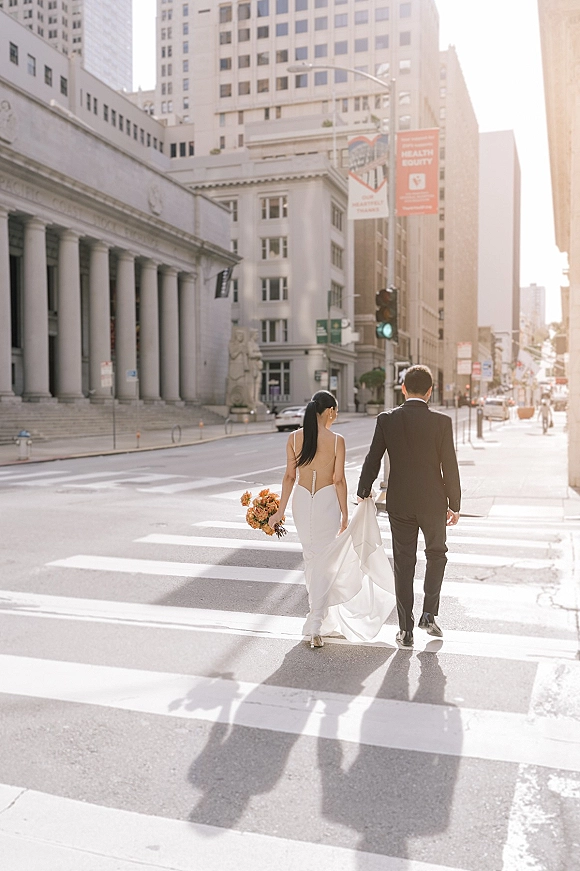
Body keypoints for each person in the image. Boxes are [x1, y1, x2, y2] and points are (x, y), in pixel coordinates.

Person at [268, 390, 395, 649]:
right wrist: (346, 515)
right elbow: (338, 480)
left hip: (302, 502)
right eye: (335, 411)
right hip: (326, 501)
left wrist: (280, 511)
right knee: (324, 561)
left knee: (311, 558)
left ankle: (317, 618)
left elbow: (289, 477)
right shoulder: (337, 440)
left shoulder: (293, 438)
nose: (336, 416)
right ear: (329, 411)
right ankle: (317, 622)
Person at [357, 365, 461, 648]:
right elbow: (450, 465)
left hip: (400, 501)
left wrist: (363, 491)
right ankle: (429, 612)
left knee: (404, 563)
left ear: (402, 388)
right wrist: (455, 504)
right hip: (433, 501)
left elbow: (373, 457)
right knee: (437, 553)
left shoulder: (387, 420)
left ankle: (405, 629)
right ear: (430, 391)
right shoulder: (441, 423)